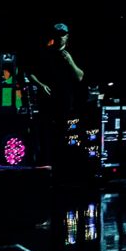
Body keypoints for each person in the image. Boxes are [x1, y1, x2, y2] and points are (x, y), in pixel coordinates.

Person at [25, 22, 86, 166]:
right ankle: (46, 162)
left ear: (67, 36)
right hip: (47, 101)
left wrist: (70, 61)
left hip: (65, 102)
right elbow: (30, 72)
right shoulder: (45, 53)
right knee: (46, 133)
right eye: (57, 35)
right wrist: (40, 85)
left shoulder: (72, 53)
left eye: (62, 35)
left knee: (64, 133)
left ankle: (62, 163)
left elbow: (80, 76)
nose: (60, 38)